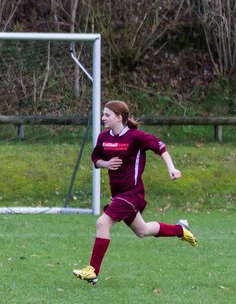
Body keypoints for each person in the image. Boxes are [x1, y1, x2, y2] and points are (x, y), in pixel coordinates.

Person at [73, 99, 197, 284]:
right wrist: (106, 164)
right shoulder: (103, 138)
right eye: (103, 114)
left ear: (118, 117)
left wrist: (171, 168)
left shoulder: (135, 137)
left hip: (132, 194)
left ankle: (93, 271)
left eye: (107, 115)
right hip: (119, 195)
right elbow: (95, 158)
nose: (103, 118)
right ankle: (180, 230)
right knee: (143, 230)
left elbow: (160, 147)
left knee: (102, 223)